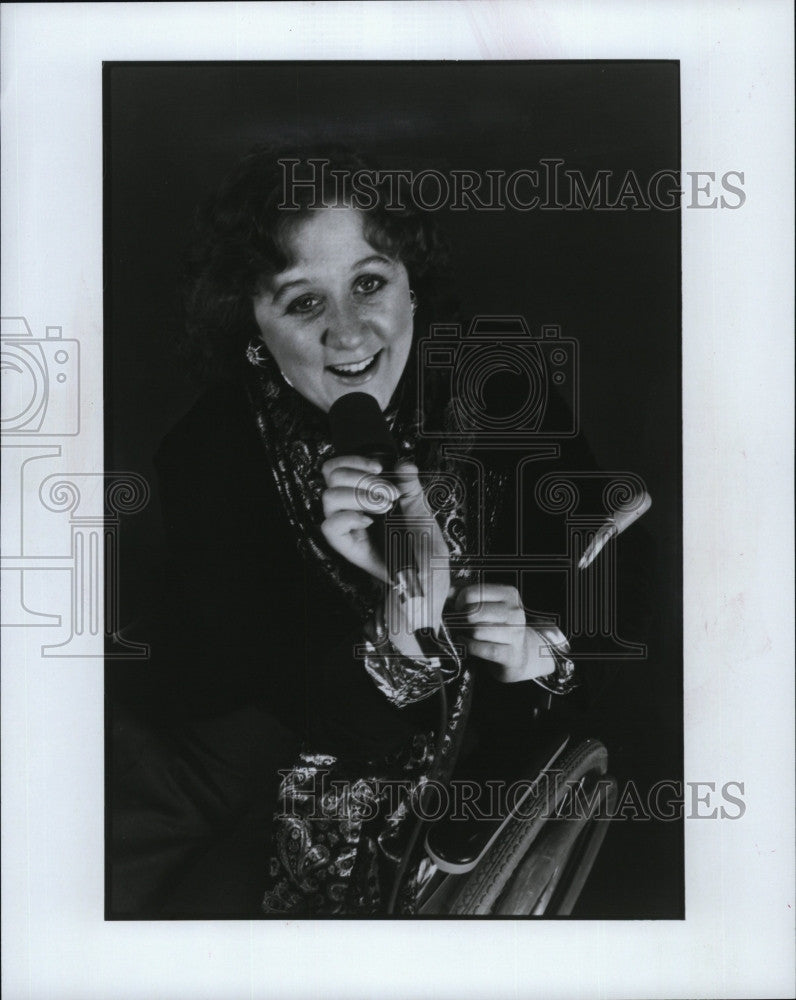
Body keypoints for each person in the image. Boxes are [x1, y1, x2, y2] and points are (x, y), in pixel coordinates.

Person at [109, 146, 612, 919]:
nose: (349, 334)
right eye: (303, 303)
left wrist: (543, 647)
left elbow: (615, 563)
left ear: (413, 289)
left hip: (488, 775)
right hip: (269, 772)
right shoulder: (208, 453)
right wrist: (404, 618)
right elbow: (263, 695)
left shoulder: (496, 376)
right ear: (252, 324)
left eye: (369, 284)